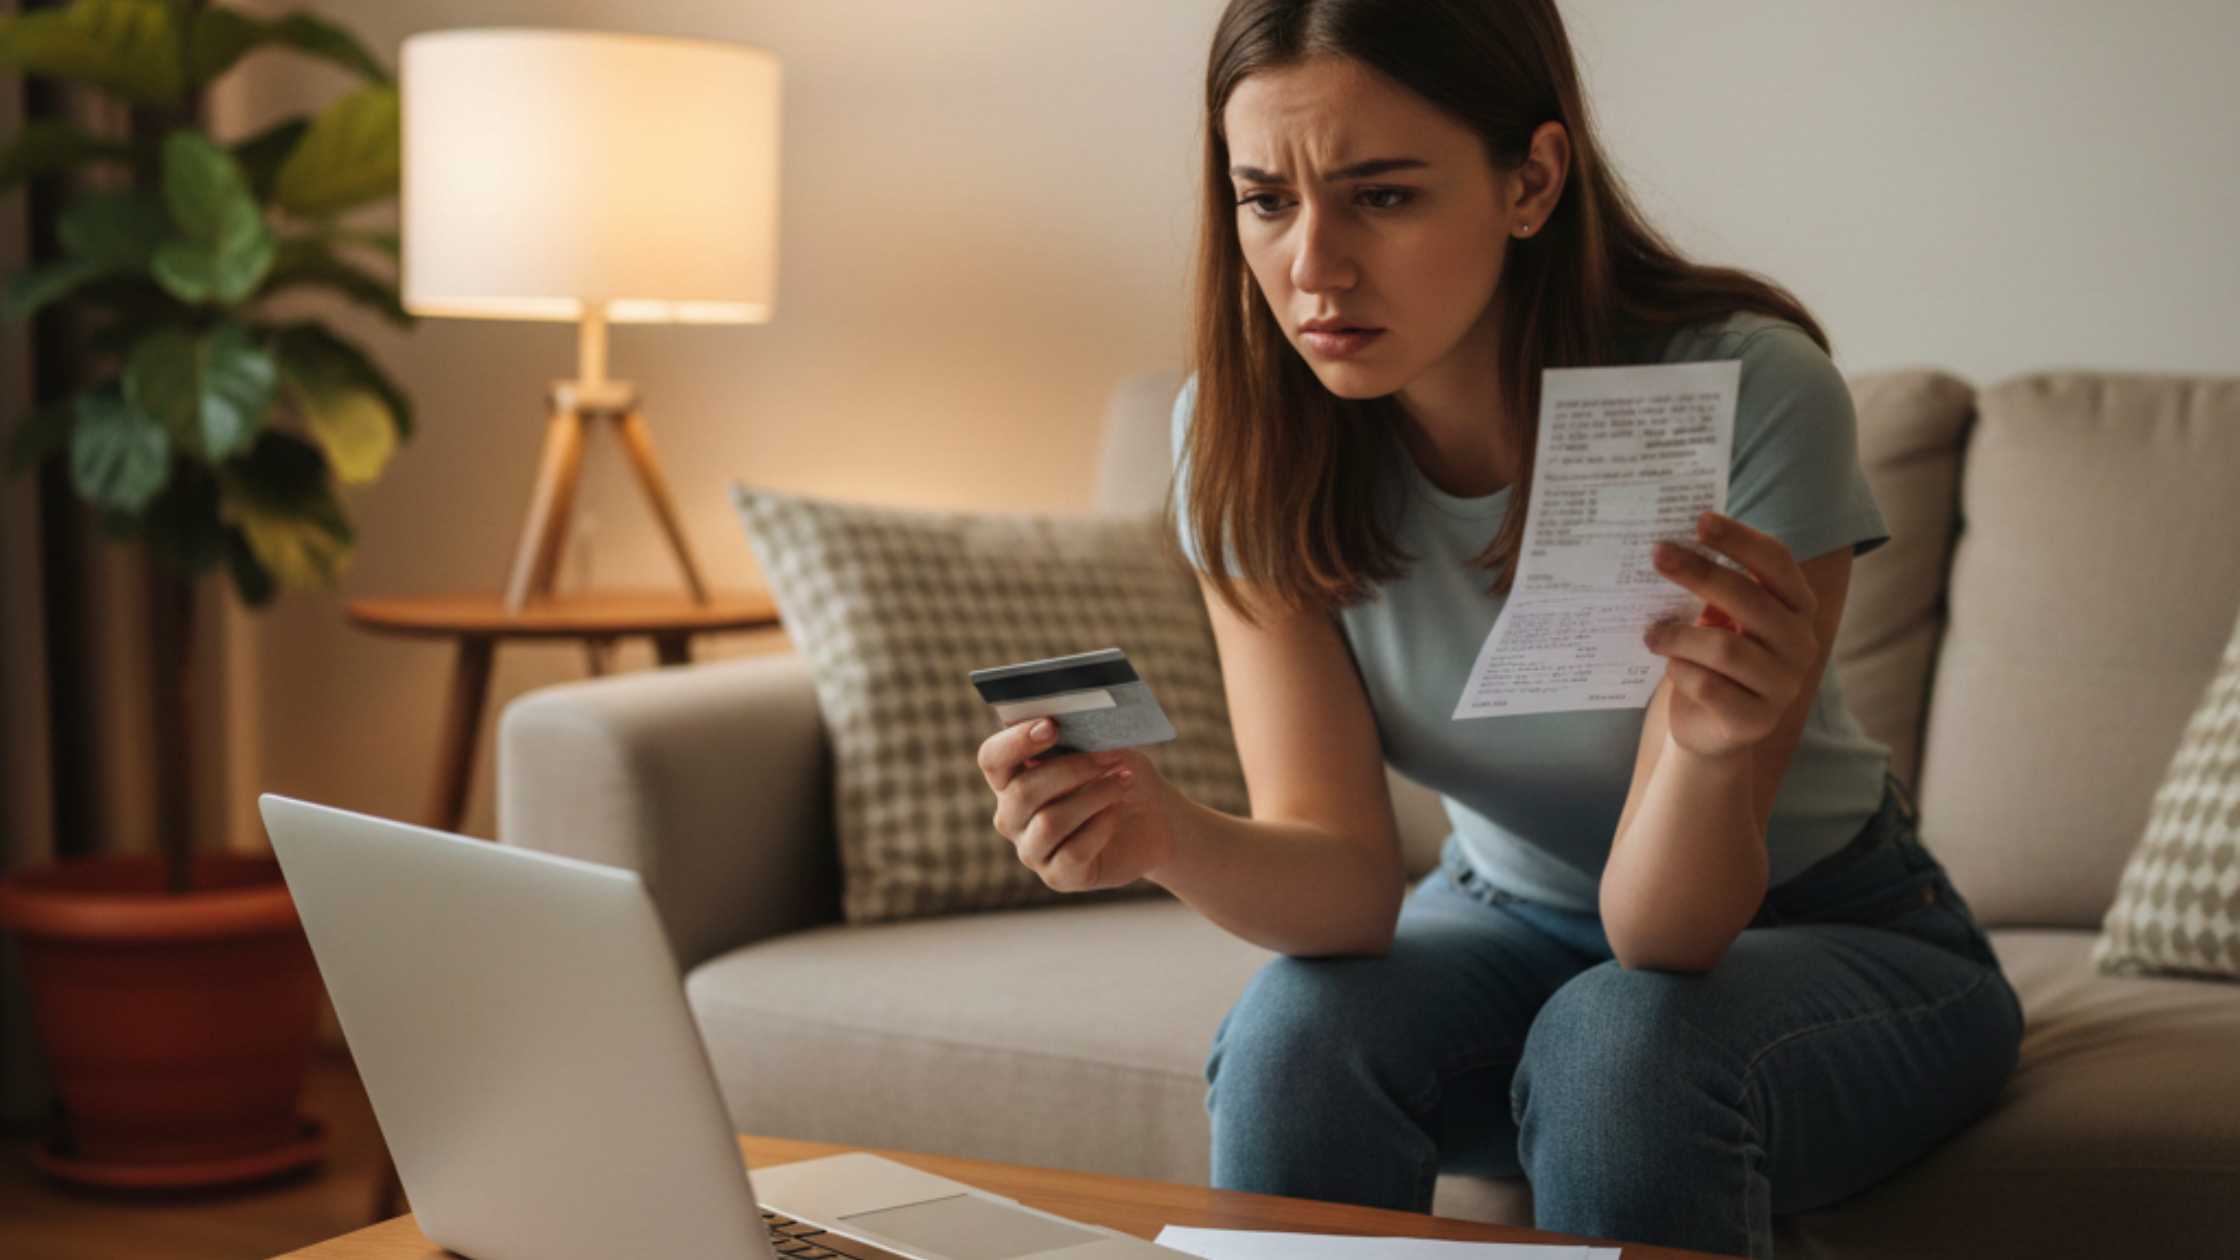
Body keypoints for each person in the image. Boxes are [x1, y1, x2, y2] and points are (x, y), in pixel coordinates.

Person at [973, 2, 2023, 1255]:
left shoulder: (1746, 389)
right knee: (1295, 1035)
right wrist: (1159, 833)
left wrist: (1703, 745)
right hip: (1499, 914)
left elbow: (1659, 939)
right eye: (1264, 199)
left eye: (1382, 197)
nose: (1313, 266)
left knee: (1617, 1048)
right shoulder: (1242, 435)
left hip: (1825, 928)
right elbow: (1351, 887)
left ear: (1529, 180)